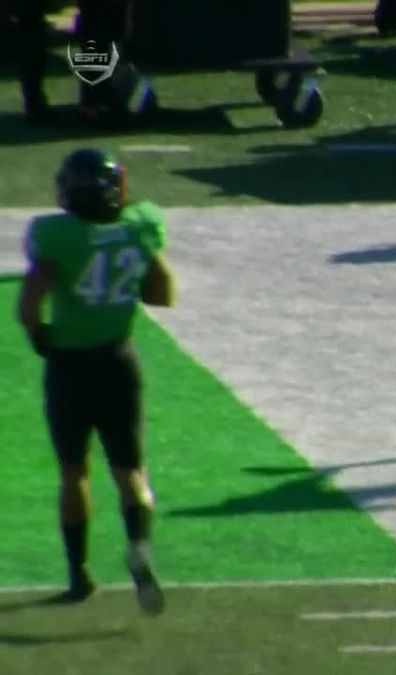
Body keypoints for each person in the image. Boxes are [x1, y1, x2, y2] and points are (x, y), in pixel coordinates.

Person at [17, 147, 173, 615]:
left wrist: (40, 334)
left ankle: (79, 575)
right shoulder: (139, 227)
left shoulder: (55, 236)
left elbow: (28, 303)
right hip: (119, 361)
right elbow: (163, 290)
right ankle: (139, 546)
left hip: (70, 368)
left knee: (74, 471)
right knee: (131, 472)